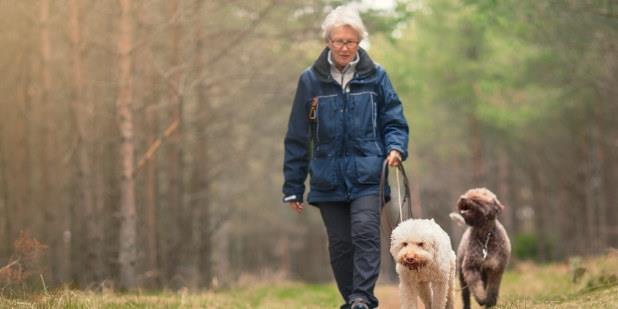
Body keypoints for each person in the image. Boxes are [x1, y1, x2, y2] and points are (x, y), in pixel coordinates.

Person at [282, 4, 409, 309]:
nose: (344, 47)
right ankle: (352, 299)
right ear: (328, 41)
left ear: (358, 43)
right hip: (327, 178)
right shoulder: (310, 81)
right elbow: (298, 136)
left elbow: (394, 118)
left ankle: (362, 298)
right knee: (340, 245)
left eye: (350, 42)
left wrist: (396, 146)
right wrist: (293, 186)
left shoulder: (376, 76)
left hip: (369, 174)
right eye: (338, 41)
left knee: (366, 233)